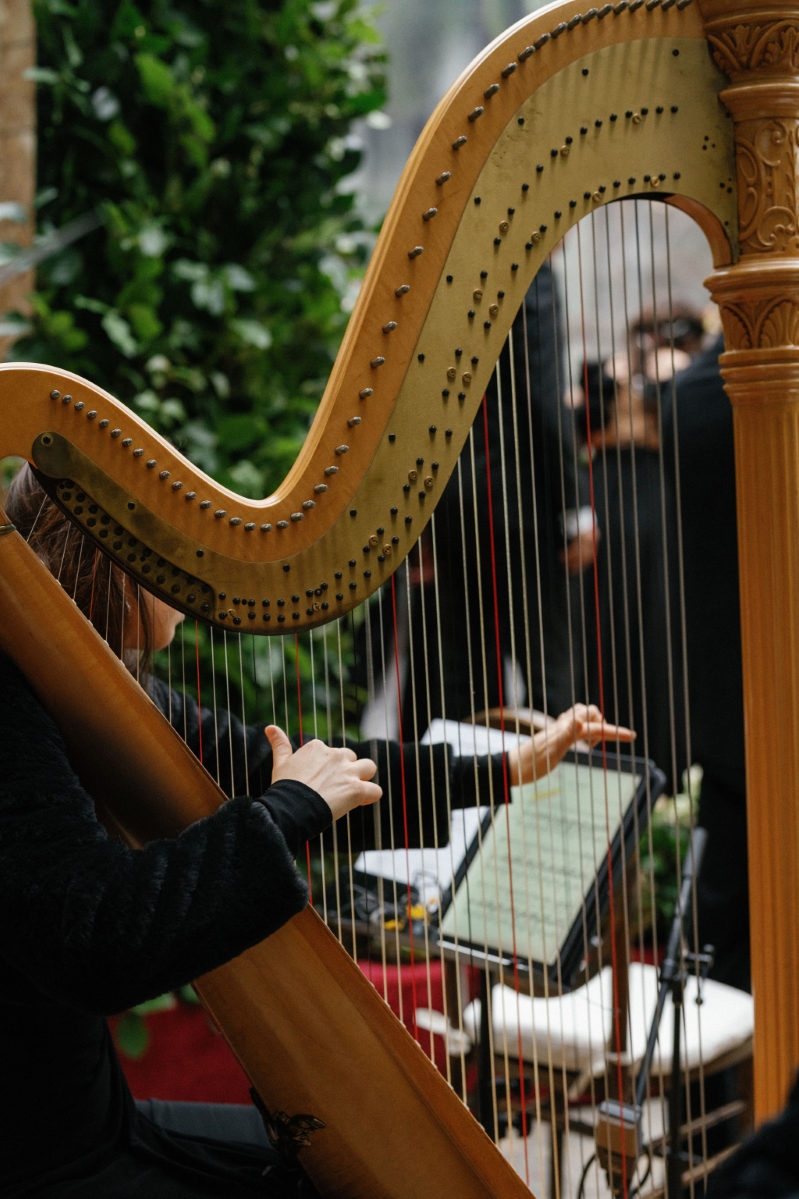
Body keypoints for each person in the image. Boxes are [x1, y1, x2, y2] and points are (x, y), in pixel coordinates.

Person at [0, 464, 632, 1199]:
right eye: (176, 555)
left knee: (365, 1161)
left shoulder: (82, 680)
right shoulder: (15, 706)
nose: (193, 580)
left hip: (92, 1127)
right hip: (46, 1164)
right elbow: (95, 940)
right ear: (117, 567)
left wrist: (502, 768)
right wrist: (288, 809)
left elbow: (259, 763)